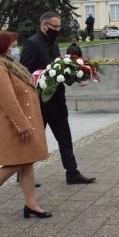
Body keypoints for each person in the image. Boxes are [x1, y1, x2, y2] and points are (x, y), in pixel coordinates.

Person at [0, 30, 51, 222]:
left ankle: (31, 204)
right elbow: (9, 101)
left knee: (27, 161)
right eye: (13, 45)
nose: (15, 49)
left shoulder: (11, 65)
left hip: (20, 123)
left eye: (16, 45)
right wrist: (23, 126)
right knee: (13, 165)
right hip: (10, 125)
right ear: (2, 46)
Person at [20, 12, 97, 185]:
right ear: (44, 26)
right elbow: (24, 73)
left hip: (57, 102)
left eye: (59, 27)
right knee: (35, 140)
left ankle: (72, 173)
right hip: (41, 103)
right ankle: (22, 173)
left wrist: (71, 74)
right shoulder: (32, 44)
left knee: (65, 138)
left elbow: (57, 66)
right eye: (55, 27)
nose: (58, 30)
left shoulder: (53, 43)